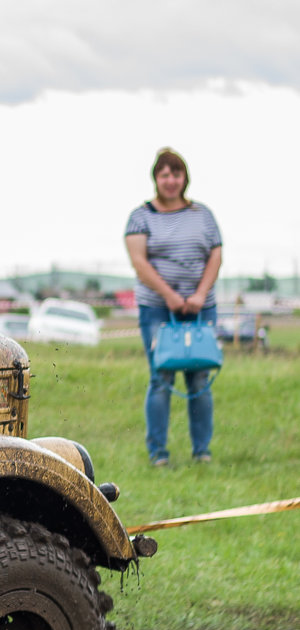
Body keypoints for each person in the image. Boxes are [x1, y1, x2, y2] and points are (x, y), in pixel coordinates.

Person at [124, 148, 222, 467]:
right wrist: (168, 294)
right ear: (156, 178)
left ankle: (202, 452)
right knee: (162, 377)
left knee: (199, 377)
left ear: (185, 178)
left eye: (176, 174)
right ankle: (158, 454)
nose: (170, 180)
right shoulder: (141, 216)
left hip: (200, 308)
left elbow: (215, 255)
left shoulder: (203, 215)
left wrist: (199, 294)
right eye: (164, 174)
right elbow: (139, 261)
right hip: (157, 309)